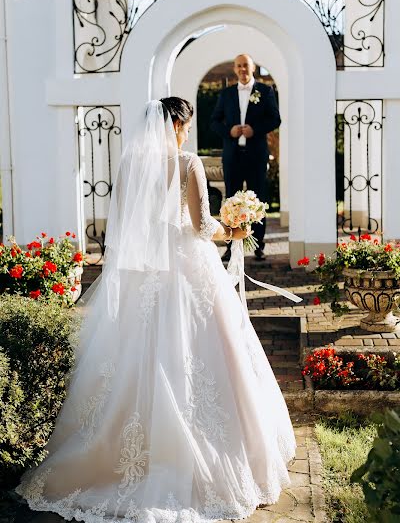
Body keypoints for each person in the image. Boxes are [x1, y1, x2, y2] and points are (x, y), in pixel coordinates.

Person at [17, 98, 295, 523]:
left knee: (134, 356)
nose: (185, 132)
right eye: (185, 125)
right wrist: (235, 228)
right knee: (211, 352)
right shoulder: (188, 164)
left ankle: (108, 457)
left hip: (143, 274)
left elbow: (128, 222)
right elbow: (202, 226)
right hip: (187, 267)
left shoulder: (130, 166)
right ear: (179, 124)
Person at [211, 54, 281, 261]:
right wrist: (228, 131)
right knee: (231, 200)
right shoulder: (226, 94)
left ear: (252, 68)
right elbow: (214, 121)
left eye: (246, 66)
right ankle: (231, 246)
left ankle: (259, 245)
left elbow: (275, 119)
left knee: (258, 199)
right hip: (232, 155)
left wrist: (255, 130)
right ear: (234, 69)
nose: (242, 69)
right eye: (239, 66)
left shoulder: (265, 91)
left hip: (256, 155)